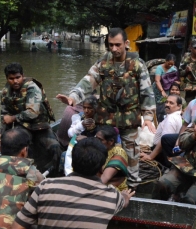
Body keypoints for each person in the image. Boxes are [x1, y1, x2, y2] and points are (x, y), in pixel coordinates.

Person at [56, 27, 156, 187]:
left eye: (118, 45)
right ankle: (99, 184)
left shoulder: (137, 65)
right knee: (102, 152)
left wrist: (149, 117)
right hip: (106, 119)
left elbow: (147, 92)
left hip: (129, 119)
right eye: (111, 45)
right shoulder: (103, 63)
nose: (114, 49)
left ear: (126, 43)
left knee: (132, 155)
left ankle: (132, 186)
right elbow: (88, 81)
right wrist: (73, 97)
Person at [0, 63, 62, 176]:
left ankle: (56, 175)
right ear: (7, 78)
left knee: (55, 147)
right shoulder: (5, 93)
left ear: (23, 75)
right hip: (22, 126)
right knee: (6, 144)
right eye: (11, 78)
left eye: (18, 77)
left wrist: (13, 118)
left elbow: (33, 113)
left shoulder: (32, 87)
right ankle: (10, 175)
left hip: (39, 125)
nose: (15, 81)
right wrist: (0, 133)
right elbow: (5, 116)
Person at [140, 95, 183, 168]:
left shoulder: (171, 119)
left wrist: (150, 156)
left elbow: (164, 141)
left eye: (171, 103)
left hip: (162, 154)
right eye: (166, 102)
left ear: (179, 106)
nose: (167, 105)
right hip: (162, 152)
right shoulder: (176, 116)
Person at [96, 125, 129, 191]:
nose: (96, 142)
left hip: (114, 192)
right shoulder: (99, 150)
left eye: (100, 140)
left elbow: (104, 179)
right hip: (99, 187)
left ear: (111, 141)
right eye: (96, 138)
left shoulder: (119, 153)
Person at [152, 54, 179, 123]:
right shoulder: (159, 68)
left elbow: (175, 80)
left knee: (166, 103)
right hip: (158, 89)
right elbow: (157, 80)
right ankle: (157, 121)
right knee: (158, 105)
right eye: (169, 63)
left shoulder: (174, 69)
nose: (170, 66)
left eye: (172, 64)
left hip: (167, 89)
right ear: (165, 61)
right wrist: (162, 91)